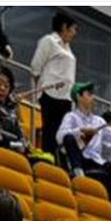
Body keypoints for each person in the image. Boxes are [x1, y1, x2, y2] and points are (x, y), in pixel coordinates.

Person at [31, 11, 77, 163]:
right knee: (50, 131)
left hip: (65, 97)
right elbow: (36, 66)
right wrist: (43, 85)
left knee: (61, 134)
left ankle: (58, 163)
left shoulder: (68, 47)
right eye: (73, 29)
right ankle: (47, 161)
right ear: (64, 27)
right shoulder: (49, 41)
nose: (74, 33)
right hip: (51, 93)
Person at [56, 80, 105, 178]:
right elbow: (59, 137)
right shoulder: (70, 116)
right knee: (68, 138)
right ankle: (78, 172)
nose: (93, 97)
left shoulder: (100, 121)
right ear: (79, 97)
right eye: (89, 94)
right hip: (81, 157)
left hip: (98, 160)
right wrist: (80, 131)